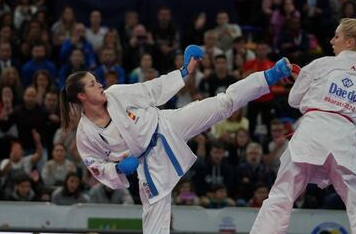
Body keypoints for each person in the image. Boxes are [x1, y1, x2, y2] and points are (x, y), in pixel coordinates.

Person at [60, 45, 292, 234]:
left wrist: (184, 71)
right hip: (148, 164)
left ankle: (270, 75)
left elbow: (151, 90)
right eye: (92, 84)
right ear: (81, 96)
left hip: (166, 125)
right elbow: (95, 167)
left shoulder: (115, 93)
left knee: (222, 104)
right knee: (154, 227)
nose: (99, 84)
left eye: (96, 80)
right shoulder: (85, 135)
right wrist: (118, 168)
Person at [250, 18, 356, 233]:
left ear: (349, 42)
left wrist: (306, 80)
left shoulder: (322, 64)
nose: (331, 41)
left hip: (311, 135)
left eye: (336, 36)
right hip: (343, 140)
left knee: (281, 196)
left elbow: (294, 101)